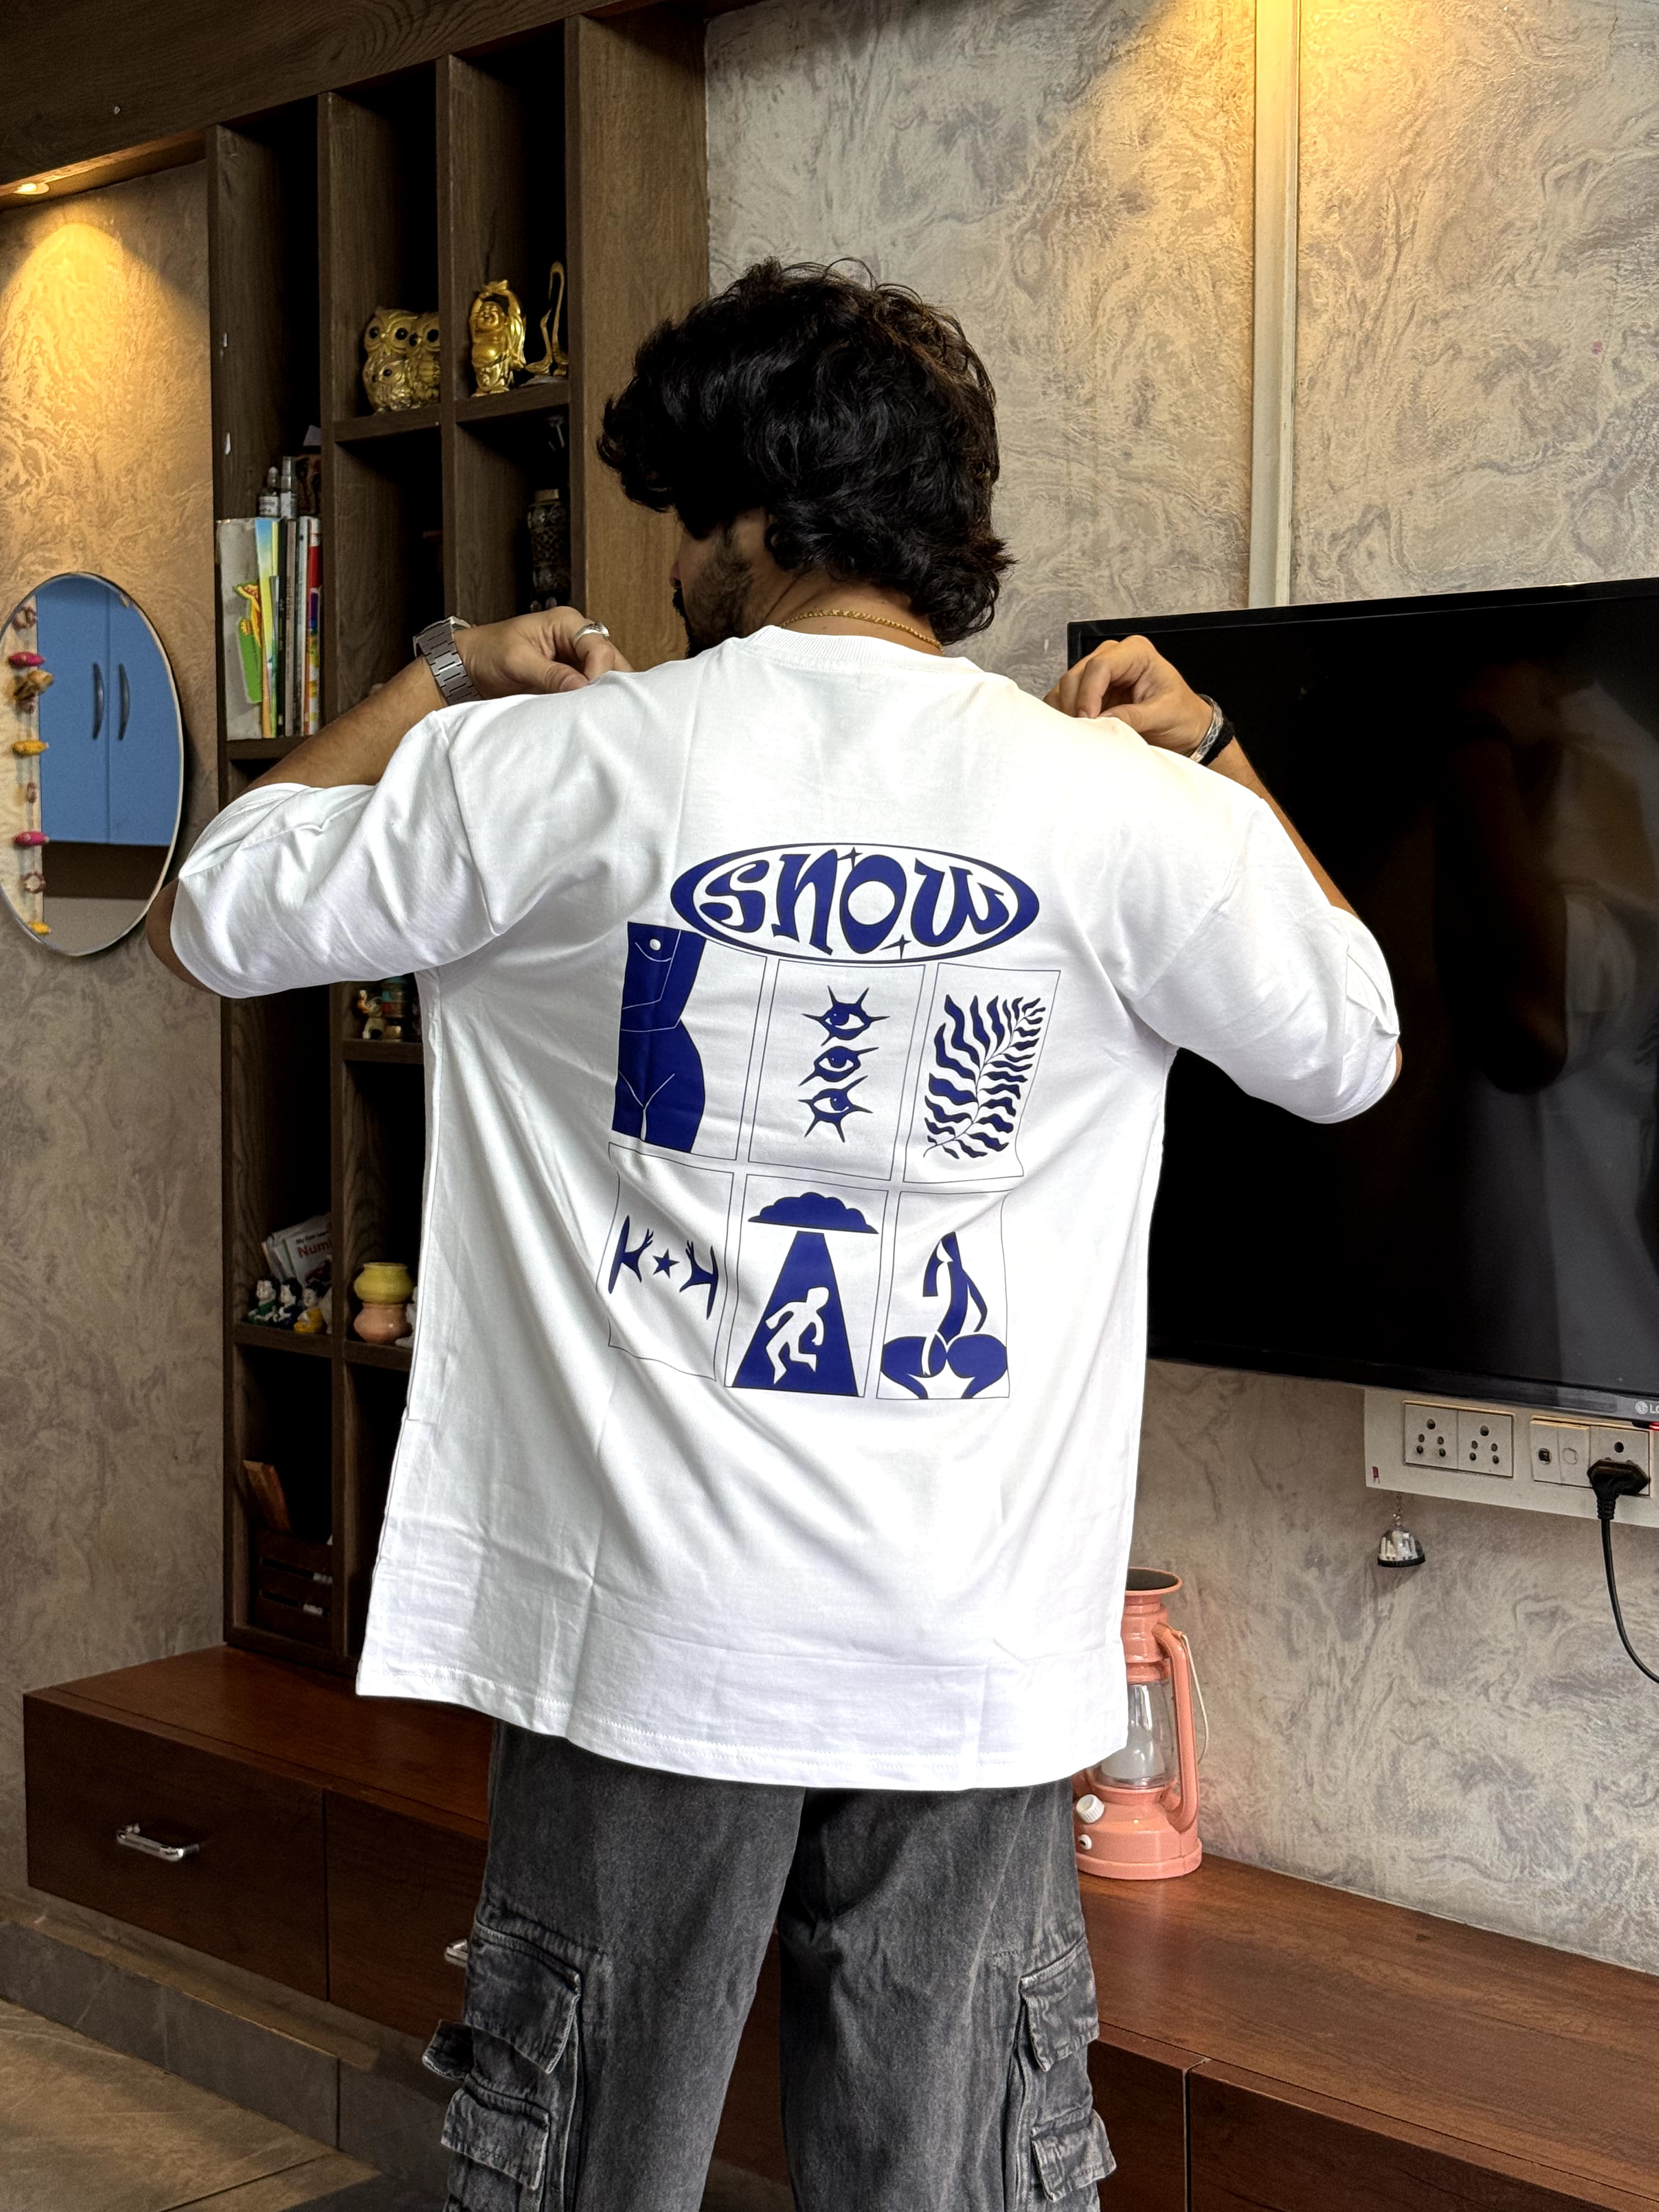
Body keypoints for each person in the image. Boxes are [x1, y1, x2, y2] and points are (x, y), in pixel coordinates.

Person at [148, 261, 1400, 2212]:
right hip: (971, 1651)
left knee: (589, 2177)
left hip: (650, 1638)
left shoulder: (557, 760)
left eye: (679, 519)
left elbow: (214, 906)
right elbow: (1352, 1045)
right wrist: (1219, 744)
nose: (667, 572)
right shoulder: (1124, 808)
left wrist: (447, 671)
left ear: (758, 513)